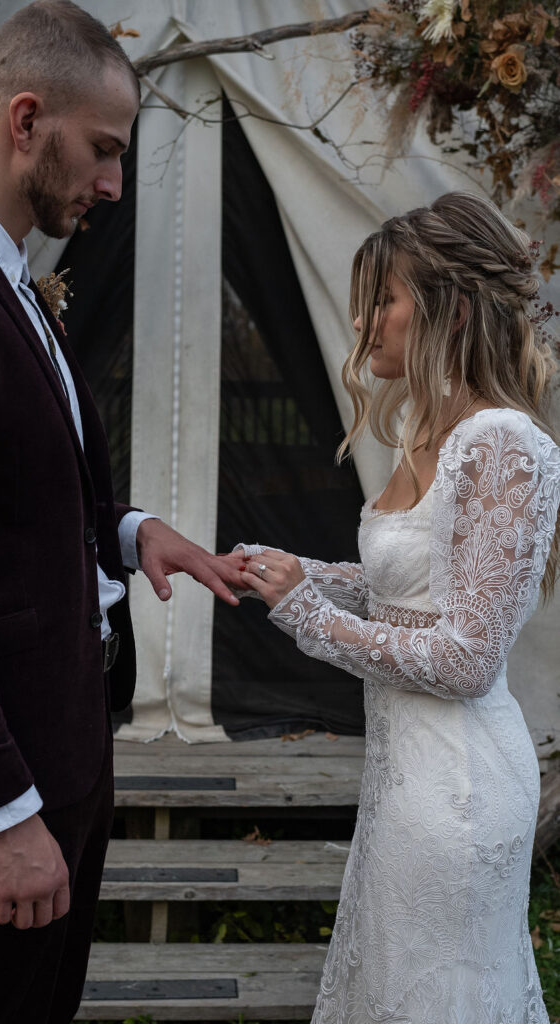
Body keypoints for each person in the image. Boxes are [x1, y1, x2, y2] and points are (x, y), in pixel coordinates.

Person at [0, 3, 243, 1022]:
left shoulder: (11, 279)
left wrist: (127, 531)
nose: (115, 184)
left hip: (69, 754)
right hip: (4, 789)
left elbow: (17, 492)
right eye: (105, 151)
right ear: (26, 118)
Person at [229, 192, 560, 1023]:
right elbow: (406, 595)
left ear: (447, 307)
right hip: (403, 776)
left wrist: (307, 614)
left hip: (459, 786)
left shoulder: (503, 443)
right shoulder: (427, 429)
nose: (368, 321)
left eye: (386, 298)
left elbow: (465, 658)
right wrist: (296, 574)